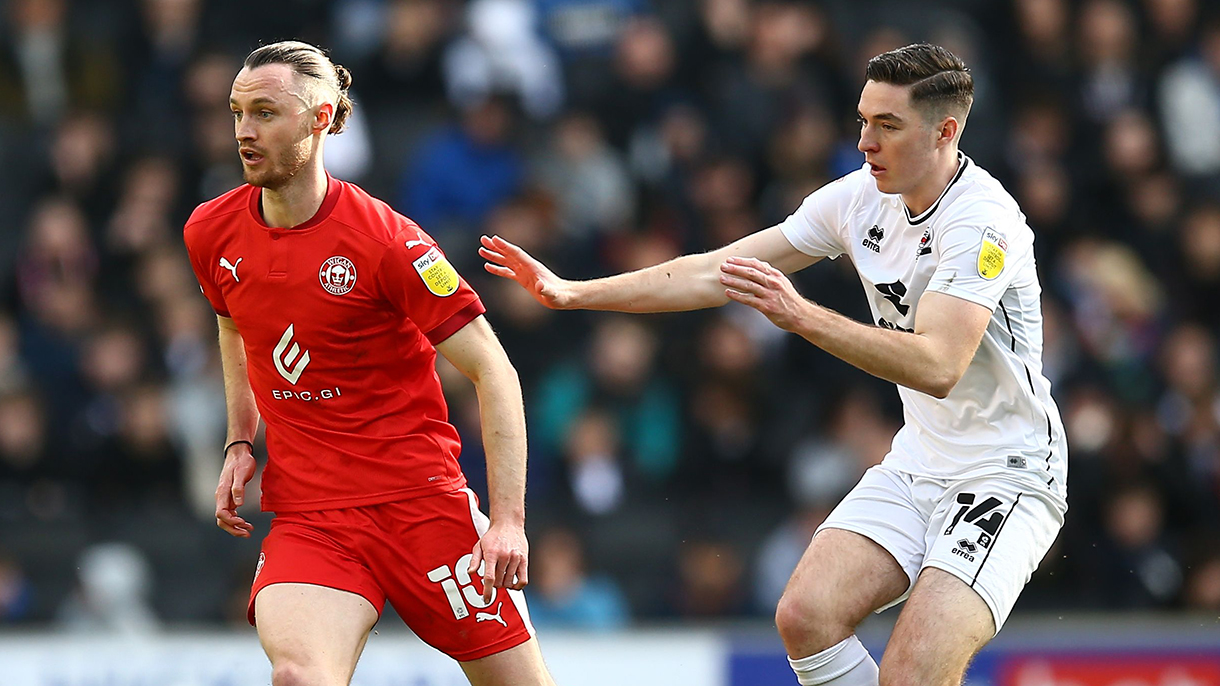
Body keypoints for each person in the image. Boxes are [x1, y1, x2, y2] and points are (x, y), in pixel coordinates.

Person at [482, 43, 1067, 686]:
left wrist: (801, 316)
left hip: (1006, 471)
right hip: (922, 457)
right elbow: (714, 271)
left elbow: (938, 364)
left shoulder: (983, 222)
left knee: (912, 674)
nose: (866, 141)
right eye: (863, 119)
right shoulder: (856, 200)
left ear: (946, 132)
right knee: (805, 615)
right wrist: (576, 292)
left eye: (888, 125)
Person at [183, 41, 556, 686]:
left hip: (422, 509)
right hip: (313, 514)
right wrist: (240, 439)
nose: (245, 131)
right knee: (298, 676)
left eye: (266, 112)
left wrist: (508, 522)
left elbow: (494, 369)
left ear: (321, 117)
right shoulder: (209, 232)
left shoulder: (388, 242)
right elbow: (232, 325)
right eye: (237, 112)